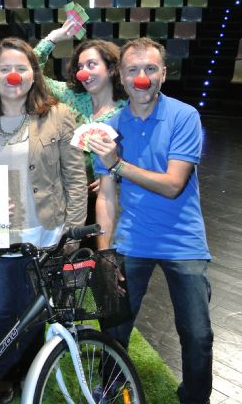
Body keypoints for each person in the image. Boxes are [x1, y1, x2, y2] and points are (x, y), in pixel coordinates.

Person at [88, 38, 213, 404]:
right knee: (114, 325)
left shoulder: (184, 116)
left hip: (184, 241)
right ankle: (110, 387)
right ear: (121, 76)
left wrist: (118, 164)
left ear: (163, 73)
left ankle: (195, 398)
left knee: (197, 335)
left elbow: (173, 185)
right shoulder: (108, 129)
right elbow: (106, 196)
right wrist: (105, 254)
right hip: (132, 240)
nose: (142, 78)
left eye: (150, 69)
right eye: (133, 70)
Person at [0, 37, 87, 403]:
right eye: (4, 68)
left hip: (45, 233)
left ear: (34, 74)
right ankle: (5, 375)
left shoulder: (59, 115)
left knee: (36, 310)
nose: (13, 76)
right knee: (2, 308)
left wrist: (73, 229)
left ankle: (31, 372)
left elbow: (75, 176)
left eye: (21, 68)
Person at [36, 21, 127, 228]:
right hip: (66, 196)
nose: (83, 73)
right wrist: (52, 39)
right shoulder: (70, 96)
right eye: (80, 67)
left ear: (111, 69)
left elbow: (139, 155)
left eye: (91, 65)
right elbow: (31, 73)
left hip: (107, 199)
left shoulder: (128, 110)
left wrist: (115, 178)